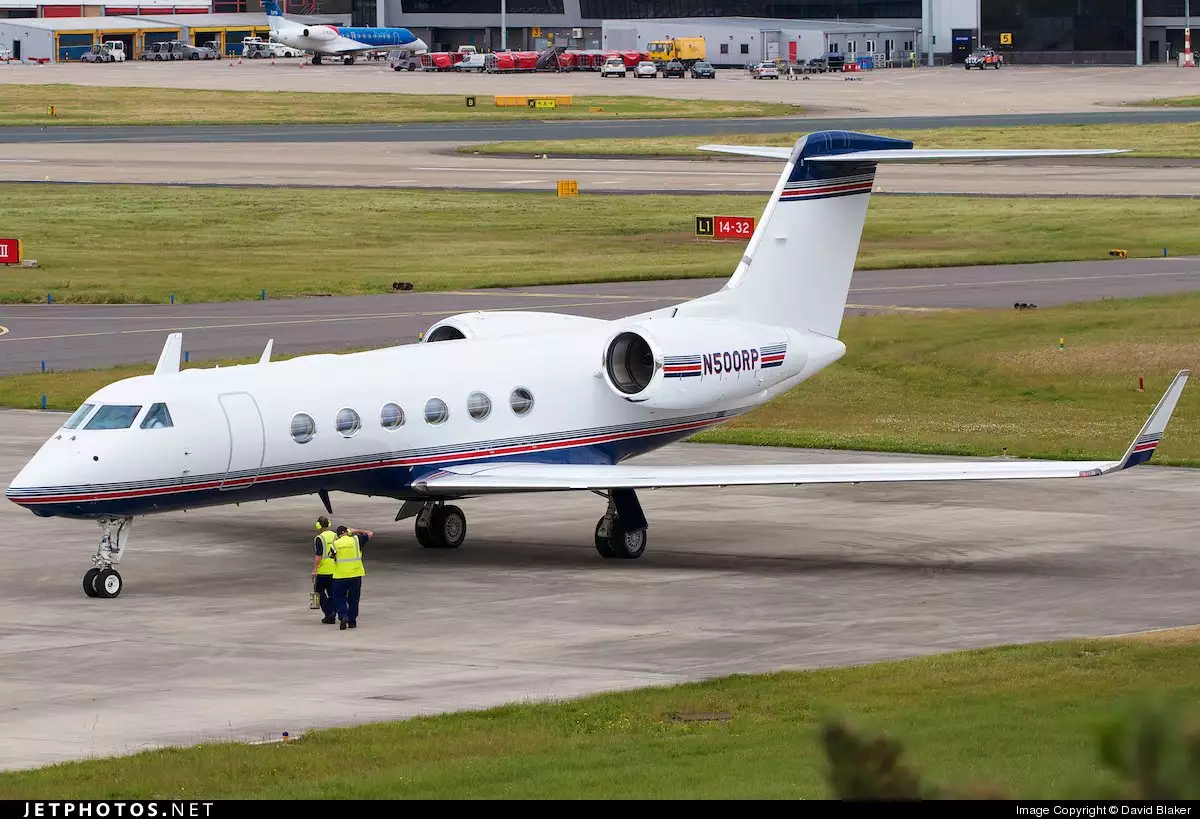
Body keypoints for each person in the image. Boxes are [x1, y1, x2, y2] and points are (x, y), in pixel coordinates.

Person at [330, 524, 372, 630]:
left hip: (340, 575)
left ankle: (343, 616)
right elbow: (370, 533)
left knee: (339, 597)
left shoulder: (335, 544)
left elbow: (332, 556)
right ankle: (352, 621)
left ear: (339, 534)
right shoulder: (356, 540)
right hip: (355, 574)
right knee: (354, 599)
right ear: (346, 532)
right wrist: (356, 530)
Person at [312, 516, 337, 624]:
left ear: (318, 525)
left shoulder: (319, 538)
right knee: (332, 593)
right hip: (335, 569)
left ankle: (328, 613)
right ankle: (333, 612)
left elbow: (319, 555)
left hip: (323, 570)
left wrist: (314, 569)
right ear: (329, 524)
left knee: (318, 592)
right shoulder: (335, 535)